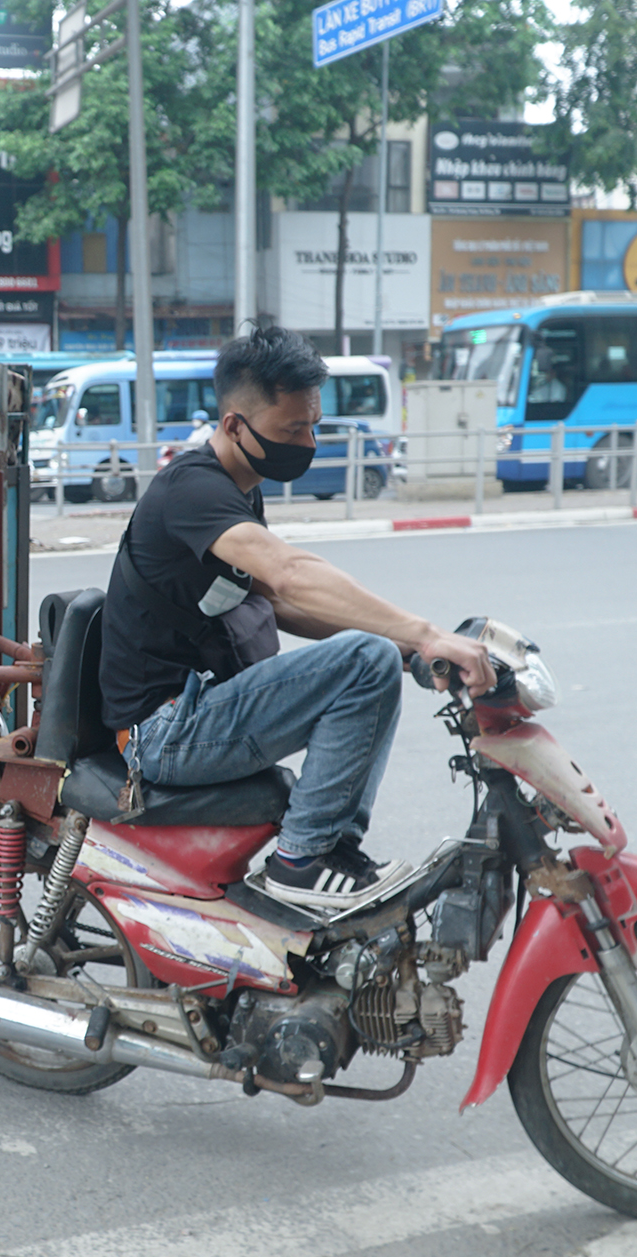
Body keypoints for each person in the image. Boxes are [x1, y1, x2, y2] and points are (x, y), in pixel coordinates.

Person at [100, 326, 493, 916]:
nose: (307, 442)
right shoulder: (190, 489)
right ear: (235, 425)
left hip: (202, 705)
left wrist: (408, 648)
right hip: (163, 731)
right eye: (291, 430)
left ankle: (331, 849)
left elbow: (279, 605)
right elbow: (287, 574)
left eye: (312, 425)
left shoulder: (239, 489)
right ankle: (301, 861)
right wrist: (425, 633)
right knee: (366, 660)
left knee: (373, 655)